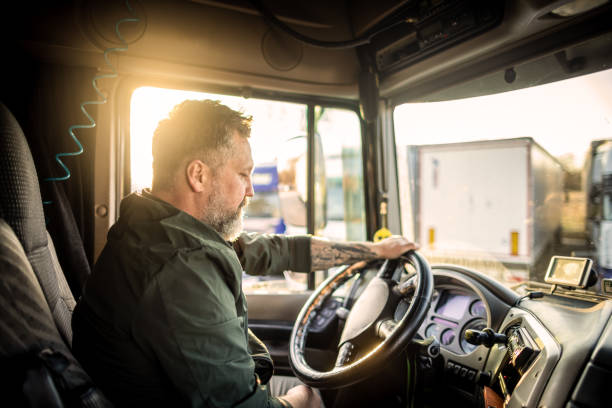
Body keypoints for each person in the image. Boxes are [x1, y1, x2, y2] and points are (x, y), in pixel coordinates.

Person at [72, 100, 418, 407]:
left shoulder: (163, 229)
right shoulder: (179, 269)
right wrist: (301, 399)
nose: (251, 189)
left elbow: (275, 250)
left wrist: (374, 250)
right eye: (243, 174)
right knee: (317, 392)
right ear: (198, 175)